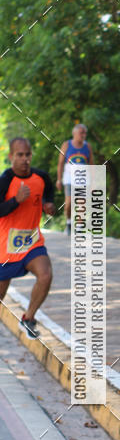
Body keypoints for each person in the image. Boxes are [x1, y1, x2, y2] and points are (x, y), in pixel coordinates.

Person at [0, 138, 55, 338]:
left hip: (32, 242)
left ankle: (29, 318)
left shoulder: (41, 177)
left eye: (28, 154)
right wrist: (16, 200)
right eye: (20, 155)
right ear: (11, 156)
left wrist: (48, 205)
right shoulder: (5, 180)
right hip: (5, 247)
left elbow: (48, 193)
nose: (25, 159)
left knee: (45, 275)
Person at [56, 123, 93, 234]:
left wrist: (93, 182)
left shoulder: (87, 146)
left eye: (85, 133)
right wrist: (59, 179)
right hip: (69, 178)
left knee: (81, 203)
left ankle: (79, 228)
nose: (83, 135)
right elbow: (60, 163)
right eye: (81, 133)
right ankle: (68, 222)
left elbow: (91, 164)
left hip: (83, 177)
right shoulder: (66, 145)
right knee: (69, 203)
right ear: (74, 133)